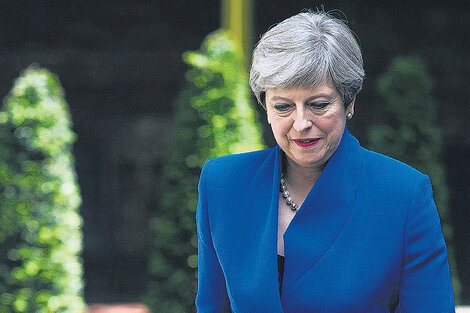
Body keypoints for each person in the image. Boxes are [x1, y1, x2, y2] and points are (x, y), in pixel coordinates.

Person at [195, 10, 455, 313]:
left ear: (349, 103)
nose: (301, 122)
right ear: (264, 107)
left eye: (318, 104)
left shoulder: (404, 194)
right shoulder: (222, 183)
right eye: (283, 106)